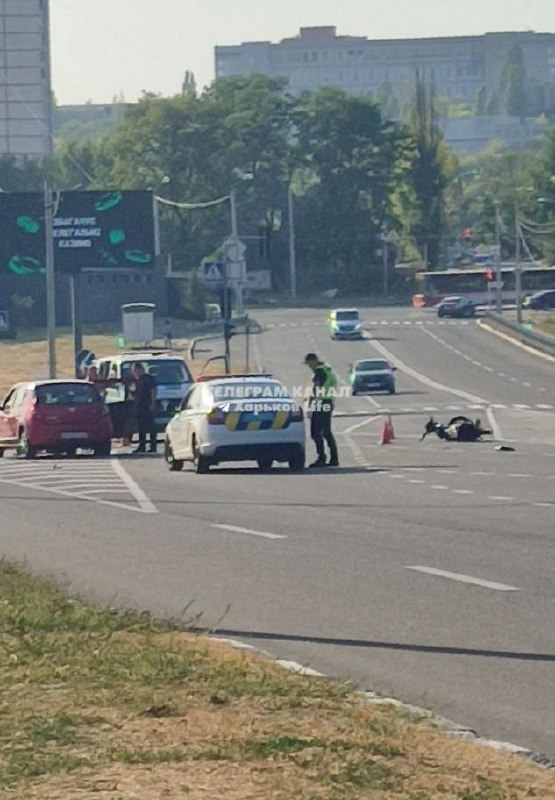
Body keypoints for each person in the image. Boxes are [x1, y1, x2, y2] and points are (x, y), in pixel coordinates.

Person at [304, 353, 339, 468]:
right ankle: (334, 458)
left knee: (315, 433)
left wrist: (309, 405)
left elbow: (315, 389)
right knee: (326, 432)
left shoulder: (319, 372)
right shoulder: (328, 370)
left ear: (313, 361)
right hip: (328, 402)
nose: (309, 366)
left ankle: (322, 458)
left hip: (320, 403)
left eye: (309, 364)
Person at [131, 362, 157, 454]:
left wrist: (152, 404)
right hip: (139, 406)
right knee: (141, 428)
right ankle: (142, 446)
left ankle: (153, 446)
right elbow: (133, 393)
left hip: (147, 405)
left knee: (151, 427)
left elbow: (153, 391)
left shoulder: (148, 379)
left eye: (135, 370)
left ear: (140, 369)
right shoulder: (136, 381)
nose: (134, 373)